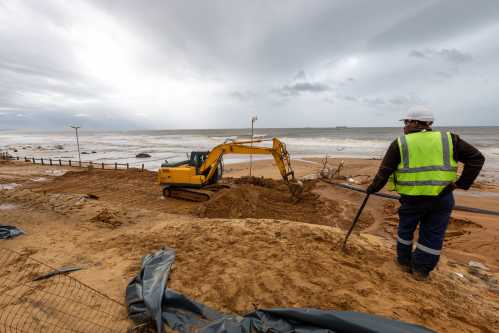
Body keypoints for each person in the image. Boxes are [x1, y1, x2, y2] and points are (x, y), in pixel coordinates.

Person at [366, 106, 485, 280]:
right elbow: (477, 159)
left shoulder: (401, 143)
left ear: (415, 123)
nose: (404, 126)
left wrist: (373, 189)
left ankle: (404, 263)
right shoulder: (449, 139)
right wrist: (460, 184)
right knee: (433, 234)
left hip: (412, 199)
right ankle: (421, 270)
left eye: (406, 122)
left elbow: (384, 171)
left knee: (406, 230)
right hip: (442, 198)